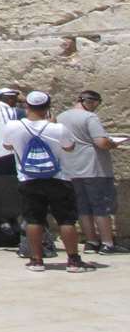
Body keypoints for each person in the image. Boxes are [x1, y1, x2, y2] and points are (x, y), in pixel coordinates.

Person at [1, 90, 93, 272]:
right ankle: (73, 261)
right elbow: (69, 147)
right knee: (66, 220)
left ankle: (36, 260)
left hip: (28, 179)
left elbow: (7, 145)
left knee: (34, 219)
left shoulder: (13, 126)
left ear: (27, 106)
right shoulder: (57, 128)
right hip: (58, 178)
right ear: (48, 108)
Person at [57, 90, 122, 254]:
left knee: (83, 207)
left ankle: (91, 242)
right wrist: (113, 144)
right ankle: (107, 243)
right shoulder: (90, 117)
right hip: (94, 168)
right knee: (100, 206)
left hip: (71, 168)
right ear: (92, 102)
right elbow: (101, 142)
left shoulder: (61, 117)